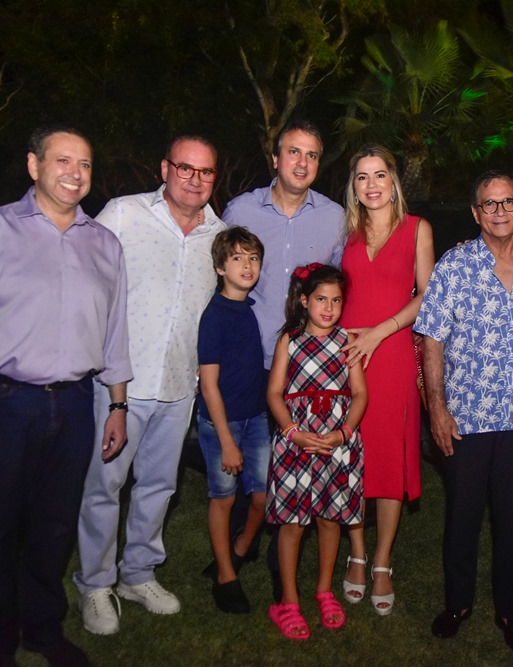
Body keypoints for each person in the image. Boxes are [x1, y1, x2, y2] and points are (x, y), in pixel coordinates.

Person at [0, 125, 131, 667]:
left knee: (56, 523)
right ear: (33, 165)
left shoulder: (104, 245)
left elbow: (115, 333)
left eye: (84, 164)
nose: (75, 173)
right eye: (62, 160)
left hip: (75, 404)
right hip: (5, 401)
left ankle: (43, 628)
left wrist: (117, 405)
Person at [73, 135, 226, 635]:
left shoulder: (219, 235)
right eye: (185, 168)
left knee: (160, 486)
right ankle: (95, 583)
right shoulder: (124, 214)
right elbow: (80, 275)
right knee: (104, 485)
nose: (194, 179)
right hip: (120, 381)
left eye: (205, 172)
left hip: (180, 383)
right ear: (165, 168)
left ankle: (138, 574)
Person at [415, 170, 513, 655]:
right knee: (463, 516)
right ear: (476, 212)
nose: (500, 211)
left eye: (508, 201)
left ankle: (510, 612)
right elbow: (431, 338)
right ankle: (458, 604)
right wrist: (437, 408)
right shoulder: (454, 265)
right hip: (467, 417)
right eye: (489, 204)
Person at [222, 119, 344, 599]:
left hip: (307, 365)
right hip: (249, 357)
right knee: (246, 459)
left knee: (295, 460)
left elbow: (340, 286)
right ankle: (237, 545)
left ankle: (281, 562)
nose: (302, 162)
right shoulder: (241, 210)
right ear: (275, 158)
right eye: (294, 152)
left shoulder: (334, 217)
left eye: (312, 155)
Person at [338, 144, 435, 615]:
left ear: (393, 181)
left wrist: (380, 331)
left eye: (379, 175)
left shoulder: (417, 228)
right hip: (349, 356)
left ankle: (381, 561)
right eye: (362, 176)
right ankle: (356, 554)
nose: (371, 185)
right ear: (354, 186)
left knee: (390, 461)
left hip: (393, 351)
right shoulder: (346, 232)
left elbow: (427, 296)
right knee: (353, 457)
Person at [265, 264, 368, 640]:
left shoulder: (347, 340)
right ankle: (288, 600)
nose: (329, 308)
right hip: (296, 442)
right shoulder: (289, 341)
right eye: (321, 299)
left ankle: (324, 590)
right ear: (304, 300)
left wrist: (344, 433)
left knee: (330, 517)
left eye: (336, 301)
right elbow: (274, 393)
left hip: (336, 443)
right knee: (293, 522)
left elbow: (360, 393)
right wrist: (293, 432)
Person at [196, 227, 270, 614]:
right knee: (223, 498)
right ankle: (225, 576)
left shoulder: (249, 310)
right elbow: (209, 385)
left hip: (256, 418)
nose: (247, 265)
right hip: (220, 423)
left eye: (253, 258)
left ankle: (239, 549)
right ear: (221, 268)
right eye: (238, 258)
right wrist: (226, 441)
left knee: (261, 497)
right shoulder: (215, 316)